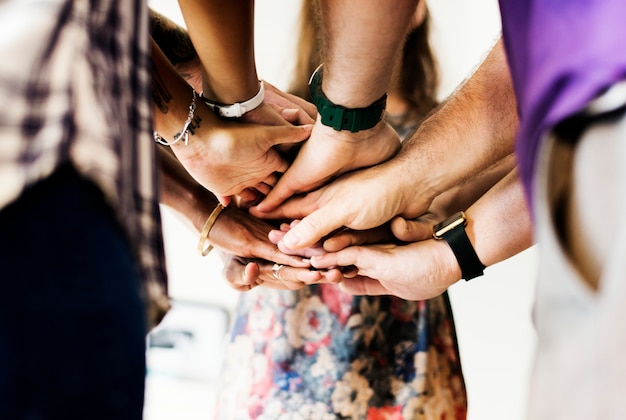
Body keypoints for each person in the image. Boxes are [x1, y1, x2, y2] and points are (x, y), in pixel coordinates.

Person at [213, 2, 467, 418]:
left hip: (404, 346)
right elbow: (235, 205)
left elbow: (451, 208)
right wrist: (230, 233)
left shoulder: (447, 125)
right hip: (280, 344)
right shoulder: (283, 121)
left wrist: (401, 205)